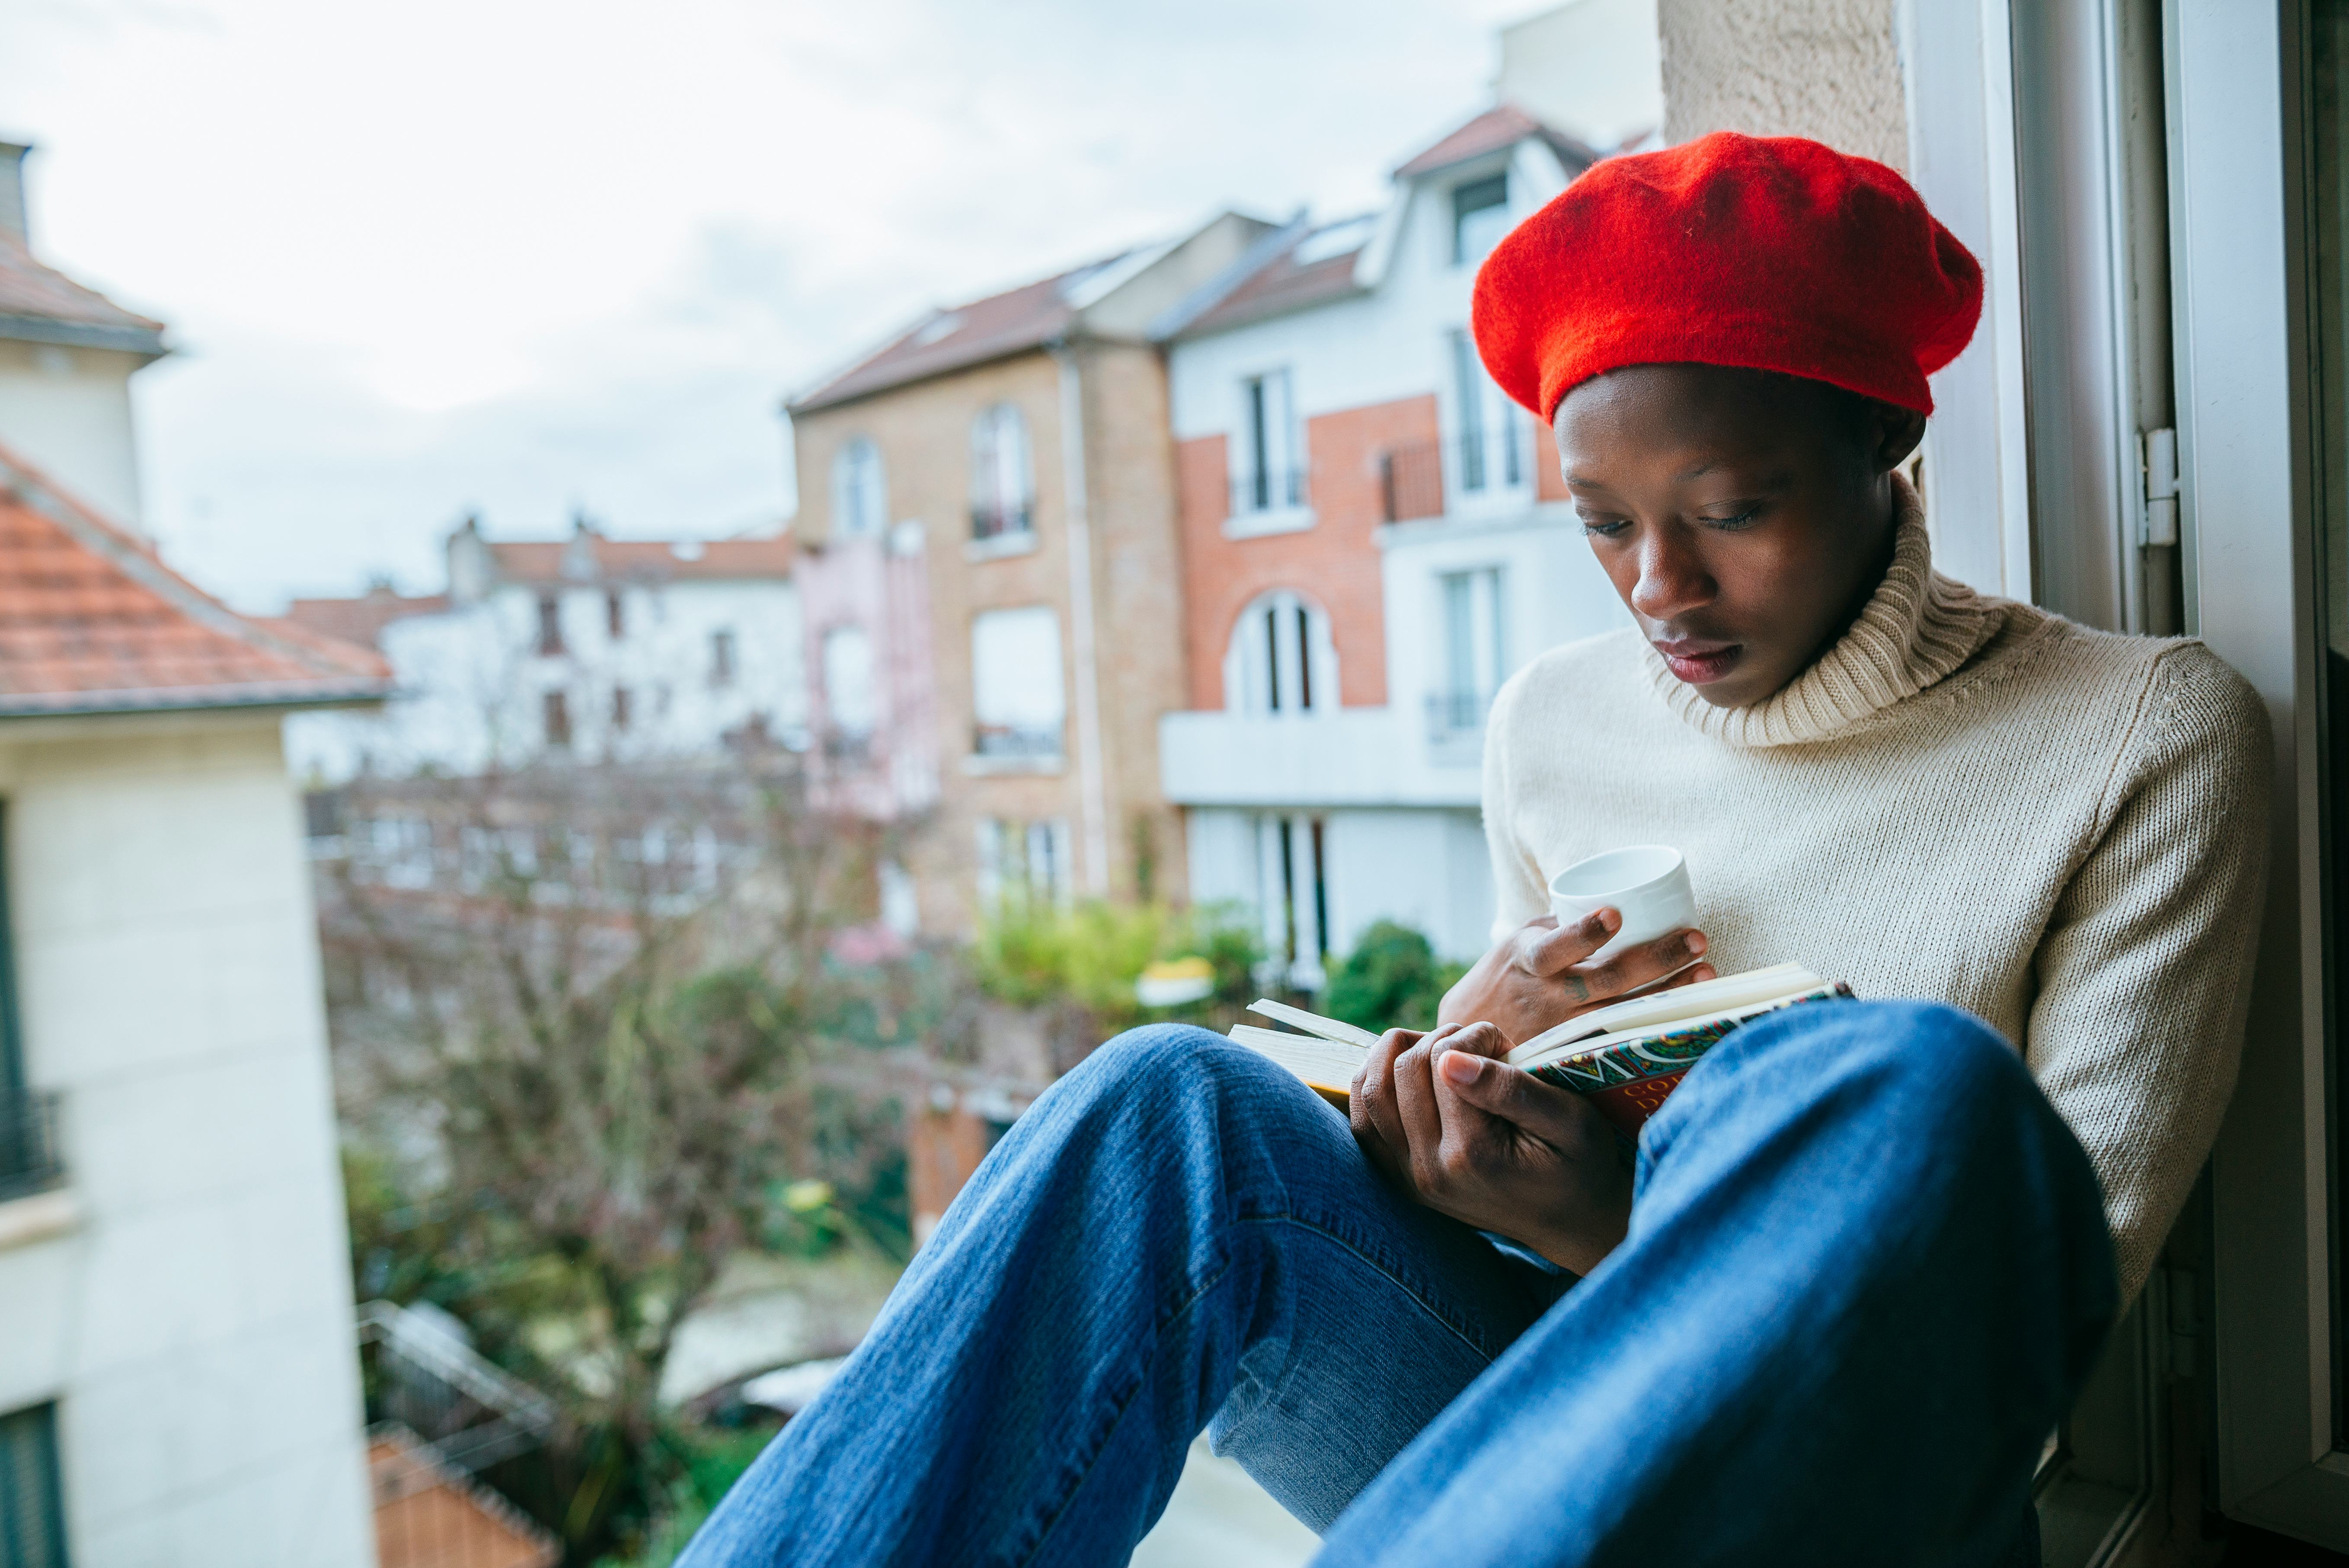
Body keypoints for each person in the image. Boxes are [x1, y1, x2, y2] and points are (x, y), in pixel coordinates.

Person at [680, 133, 2269, 1567]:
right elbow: (1500, 1219)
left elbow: (2033, 1305)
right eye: (1600, 522)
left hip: (1862, 1498)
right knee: (1167, 1103)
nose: (1658, 586)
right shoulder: (1552, 722)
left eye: (1731, 509)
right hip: (1528, 1431)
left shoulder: (2137, 733)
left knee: (1885, 1087)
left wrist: (1608, 1218)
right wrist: (1459, 1099)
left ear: (1884, 441)